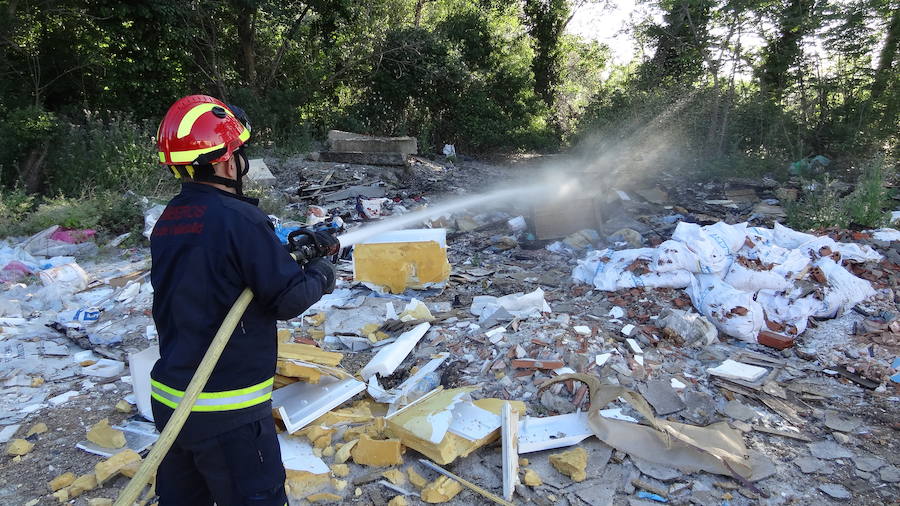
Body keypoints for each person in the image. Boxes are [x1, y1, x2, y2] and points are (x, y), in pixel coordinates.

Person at [150, 94, 338, 505]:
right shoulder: (240, 219)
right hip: (226, 410)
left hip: (171, 404)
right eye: (239, 152)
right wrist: (324, 272)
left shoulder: (171, 218)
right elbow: (288, 298)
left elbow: (222, 274)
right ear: (223, 160)